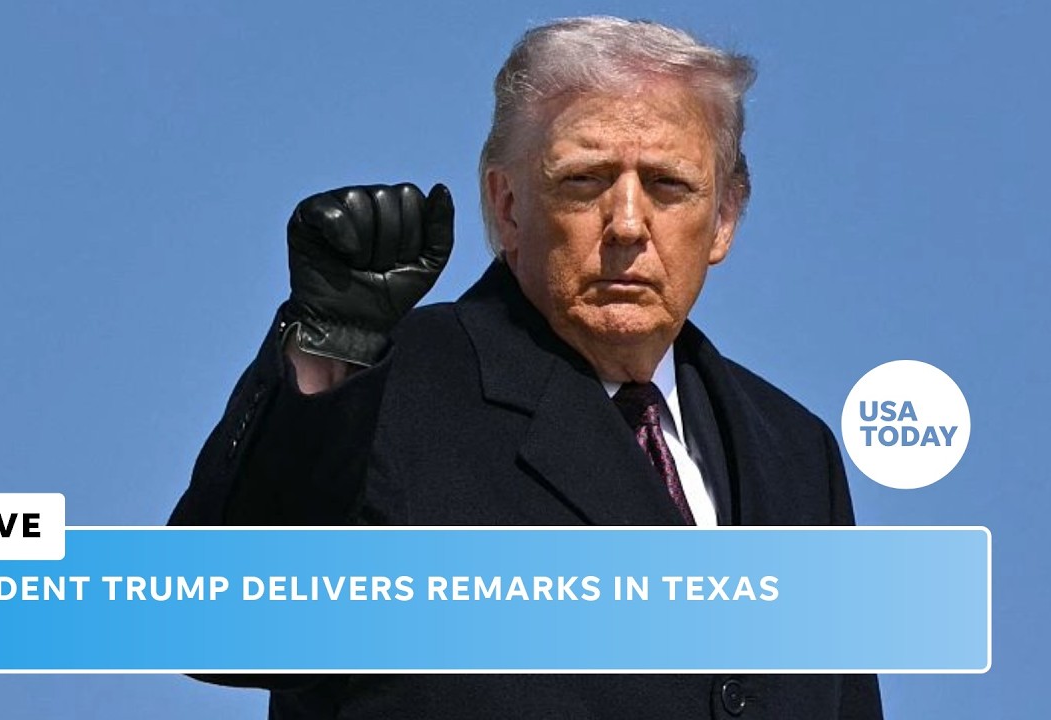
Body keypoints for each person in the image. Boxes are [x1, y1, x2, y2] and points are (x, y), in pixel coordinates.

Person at [169, 15, 884, 720]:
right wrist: (332, 349)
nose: (627, 224)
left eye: (668, 185)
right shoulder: (385, 388)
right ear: (508, 207)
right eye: (585, 181)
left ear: (724, 217)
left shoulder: (795, 451)